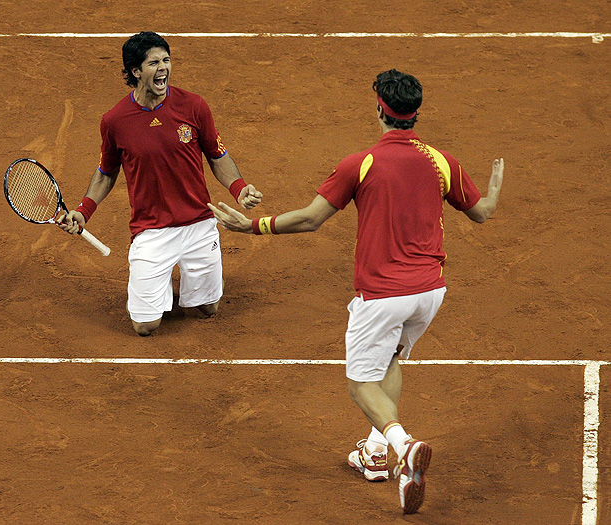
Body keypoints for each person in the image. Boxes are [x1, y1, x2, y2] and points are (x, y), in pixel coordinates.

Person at [208, 69, 503, 515]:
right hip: (429, 294)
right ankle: (376, 455)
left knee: (360, 383)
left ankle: (402, 445)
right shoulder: (441, 161)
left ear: (379, 111)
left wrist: (251, 225)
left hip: (383, 295)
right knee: (390, 360)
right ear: (414, 114)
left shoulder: (360, 163)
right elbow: (482, 213)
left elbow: (310, 219)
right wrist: (496, 190)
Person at [58, 31, 262, 336]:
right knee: (145, 325)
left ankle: (180, 278)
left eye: (166, 60)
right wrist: (83, 211)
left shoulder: (193, 106)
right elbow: (106, 172)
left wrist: (239, 188)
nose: (163, 67)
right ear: (136, 72)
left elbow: (217, 155)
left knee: (207, 309)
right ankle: (159, 275)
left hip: (198, 221)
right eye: (154, 62)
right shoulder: (115, 120)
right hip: (151, 229)